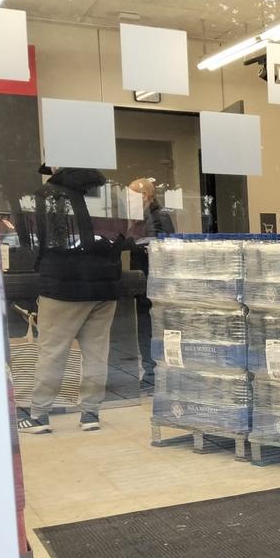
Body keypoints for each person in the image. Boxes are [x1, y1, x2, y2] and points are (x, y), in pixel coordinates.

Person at [17, 167, 124, 434]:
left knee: (52, 352)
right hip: (105, 286)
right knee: (97, 352)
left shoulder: (47, 196)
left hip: (61, 285)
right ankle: (91, 413)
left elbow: (35, 241)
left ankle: (39, 415)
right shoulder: (106, 194)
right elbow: (122, 237)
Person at [127, 177, 175, 391]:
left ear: (145, 196)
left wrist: (133, 243)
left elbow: (161, 245)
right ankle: (150, 374)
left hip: (154, 282)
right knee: (146, 327)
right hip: (144, 281)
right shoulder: (140, 217)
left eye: (132, 196)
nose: (128, 201)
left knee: (153, 328)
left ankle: (154, 375)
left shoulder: (158, 216)